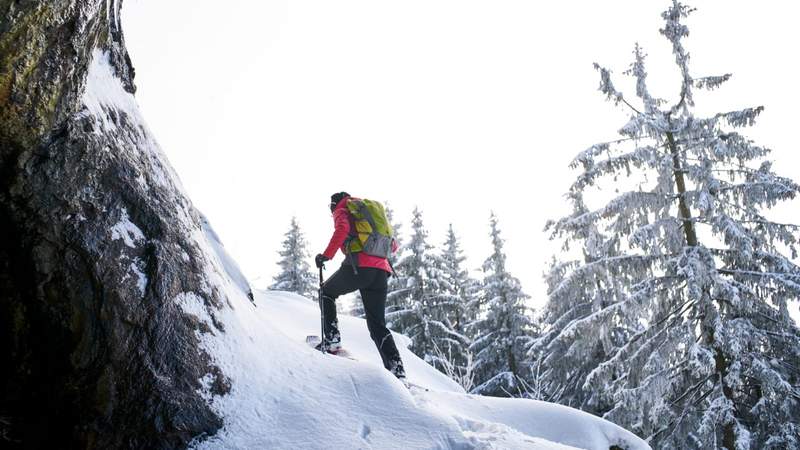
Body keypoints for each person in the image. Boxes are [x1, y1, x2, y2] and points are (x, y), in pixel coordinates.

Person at [315, 192, 406, 380]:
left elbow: (341, 229)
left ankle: (331, 340)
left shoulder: (342, 209)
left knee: (326, 292)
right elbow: (393, 246)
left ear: (334, 204)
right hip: (381, 272)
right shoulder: (368, 212)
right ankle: (397, 369)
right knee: (377, 325)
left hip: (359, 267)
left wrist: (326, 255)